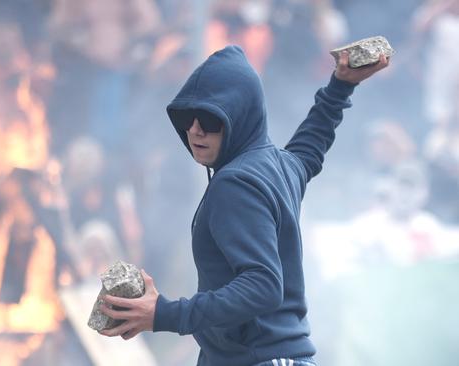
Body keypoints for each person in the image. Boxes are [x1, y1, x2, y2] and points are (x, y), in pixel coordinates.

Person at [97, 45, 389, 366]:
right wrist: (341, 84)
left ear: (238, 115)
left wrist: (164, 313)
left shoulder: (234, 183)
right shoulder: (279, 166)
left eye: (209, 117)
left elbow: (263, 285)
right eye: (186, 117)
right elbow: (312, 143)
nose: (194, 129)